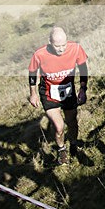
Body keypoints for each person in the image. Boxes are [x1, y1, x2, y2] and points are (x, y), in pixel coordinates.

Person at [28, 26, 88, 165]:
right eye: (57, 46)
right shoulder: (40, 54)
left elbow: (83, 69)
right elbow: (32, 72)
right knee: (59, 126)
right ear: (50, 42)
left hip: (68, 91)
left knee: (72, 122)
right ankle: (62, 150)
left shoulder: (76, 49)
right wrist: (33, 94)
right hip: (49, 93)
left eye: (63, 45)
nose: (61, 49)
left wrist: (83, 89)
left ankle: (73, 143)